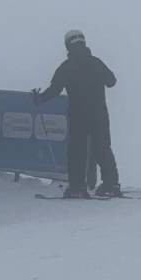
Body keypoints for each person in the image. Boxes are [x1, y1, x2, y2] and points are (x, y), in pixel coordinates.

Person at [33, 30, 122, 198]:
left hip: (78, 115)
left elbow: (54, 90)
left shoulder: (66, 66)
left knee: (77, 151)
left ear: (68, 45)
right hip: (99, 114)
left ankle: (77, 187)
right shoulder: (96, 62)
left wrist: (39, 99)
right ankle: (111, 184)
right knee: (102, 148)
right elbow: (112, 82)